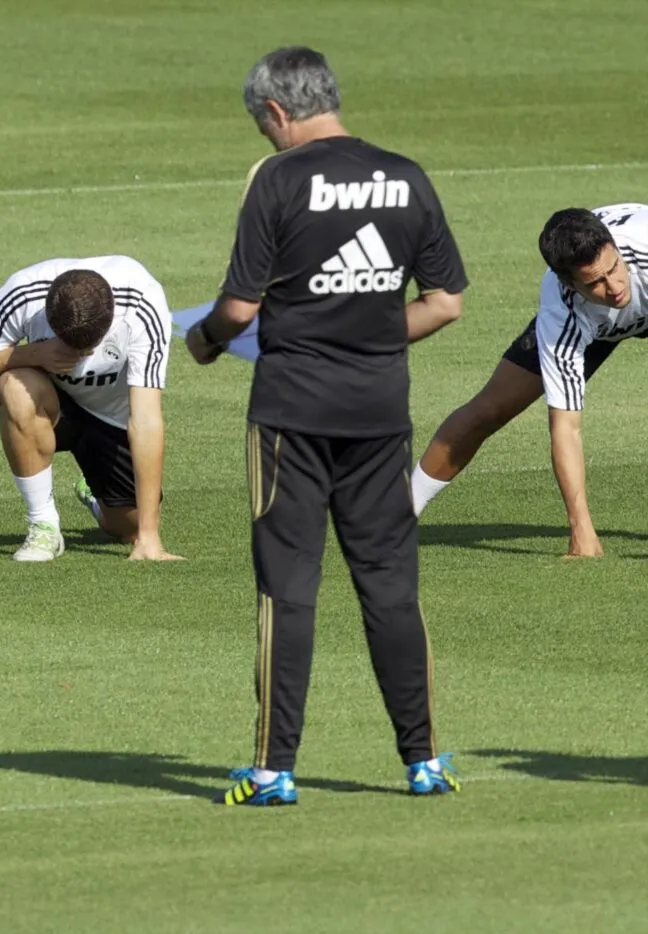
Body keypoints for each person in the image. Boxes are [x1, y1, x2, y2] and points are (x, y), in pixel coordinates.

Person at [183, 47, 467, 805]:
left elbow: (239, 308)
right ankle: (423, 761)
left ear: (277, 111)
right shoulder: (406, 175)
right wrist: (365, 335)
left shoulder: (278, 179)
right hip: (380, 412)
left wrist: (205, 340)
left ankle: (274, 769)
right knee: (391, 587)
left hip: (292, 414)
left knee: (288, 588)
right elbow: (444, 303)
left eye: (263, 124)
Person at [411, 204, 648, 556]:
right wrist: (581, 530)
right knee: (490, 409)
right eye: (594, 282)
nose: (613, 287)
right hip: (592, 324)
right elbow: (566, 427)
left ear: (614, 247)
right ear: (569, 283)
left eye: (613, 269)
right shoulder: (561, 310)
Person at [0, 257, 180, 562]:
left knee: (128, 529)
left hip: (110, 417)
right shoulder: (25, 291)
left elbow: (146, 419)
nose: (81, 356)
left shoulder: (142, 302)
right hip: (49, 403)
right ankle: (43, 525)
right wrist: (35, 353)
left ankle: (94, 493)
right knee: (14, 386)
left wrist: (149, 537)